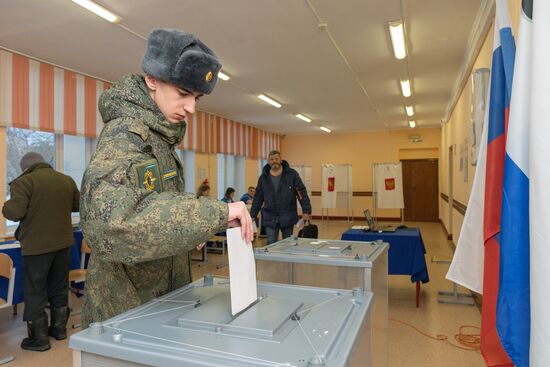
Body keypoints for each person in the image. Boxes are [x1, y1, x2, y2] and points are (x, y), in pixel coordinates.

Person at [79, 28, 253, 328]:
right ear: (152, 80)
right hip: (126, 310)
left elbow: (156, 206)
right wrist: (215, 212)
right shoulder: (126, 134)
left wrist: (193, 227)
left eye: (196, 97)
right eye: (183, 94)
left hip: (158, 300)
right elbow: (109, 221)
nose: (191, 107)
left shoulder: (160, 136)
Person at [2, 152, 80, 352]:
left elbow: (14, 212)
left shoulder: (24, 182)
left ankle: (39, 339)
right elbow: (76, 206)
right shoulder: (66, 180)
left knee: (35, 290)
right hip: (63, 244)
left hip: (37, 247)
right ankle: (59, 330)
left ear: (26, 168)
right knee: (59, 286)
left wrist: (7, 204)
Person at [250, 150, 311, 244]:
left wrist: (306, 211)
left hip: (288, 216)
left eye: (276, 159)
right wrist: (252, 215)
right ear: (268, 162)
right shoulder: (263, 178)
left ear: (281, 160)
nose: (274, 161)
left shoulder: (292, 174)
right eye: (271, 159)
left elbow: (301, 193)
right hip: (270, 217)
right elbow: (258, 198)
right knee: (271, 243)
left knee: (287, 244)